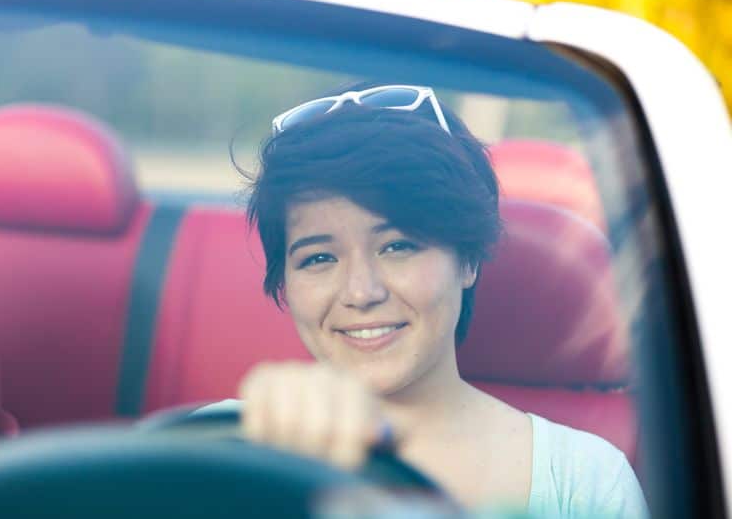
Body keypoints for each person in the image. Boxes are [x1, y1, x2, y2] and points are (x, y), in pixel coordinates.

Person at [214, 84, 648, 517]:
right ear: (286, 282)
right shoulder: (216, 446)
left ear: (467, 261)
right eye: (319, 257)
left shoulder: (586, 480)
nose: (362, 292)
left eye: (398, 246)